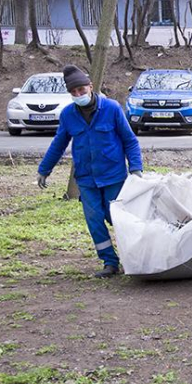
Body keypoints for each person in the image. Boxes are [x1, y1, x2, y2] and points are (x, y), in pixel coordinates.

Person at [37, 65, 143, 278]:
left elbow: (130, 140)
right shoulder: (68, 114)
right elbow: (59, 143)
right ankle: (109, 262)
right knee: (94, 220)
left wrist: (136, 168)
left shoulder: (111, 109)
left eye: (81, 90)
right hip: (86, 179)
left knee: (117, 219)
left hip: (113, 176)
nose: (78, 95)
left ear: (91, 87)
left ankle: (135, 257)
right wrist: (44, 169)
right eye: (73, 92)